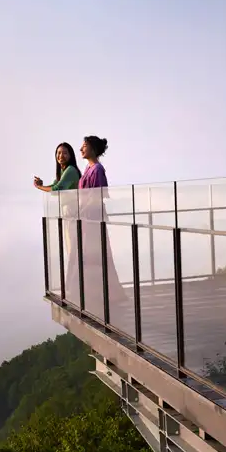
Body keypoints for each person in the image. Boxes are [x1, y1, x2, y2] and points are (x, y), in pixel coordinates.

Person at [77, 135, 129, 318]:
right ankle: (98, 293)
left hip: (93, 218)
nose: (81, 149)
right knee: (93, 256)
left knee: (98, 255)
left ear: (92, 148)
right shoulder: (88, 168)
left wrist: (83, 209)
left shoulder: (97, 169)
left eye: (84, 146)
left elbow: (98, 196)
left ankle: (105, 294)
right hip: (87, 217)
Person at [35, 143, 82, 304]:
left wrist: (40, 187)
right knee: (72, 252)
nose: (61, 156)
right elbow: (55, 186)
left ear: (71, 155)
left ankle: (72, 288)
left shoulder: (70, 171)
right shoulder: (63, 171)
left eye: (64, 153)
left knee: (74, 253)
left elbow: (58, 189)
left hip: (74, 215)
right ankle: (72, 287)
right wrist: (41, 185)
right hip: (70, 215)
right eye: (58, 153)